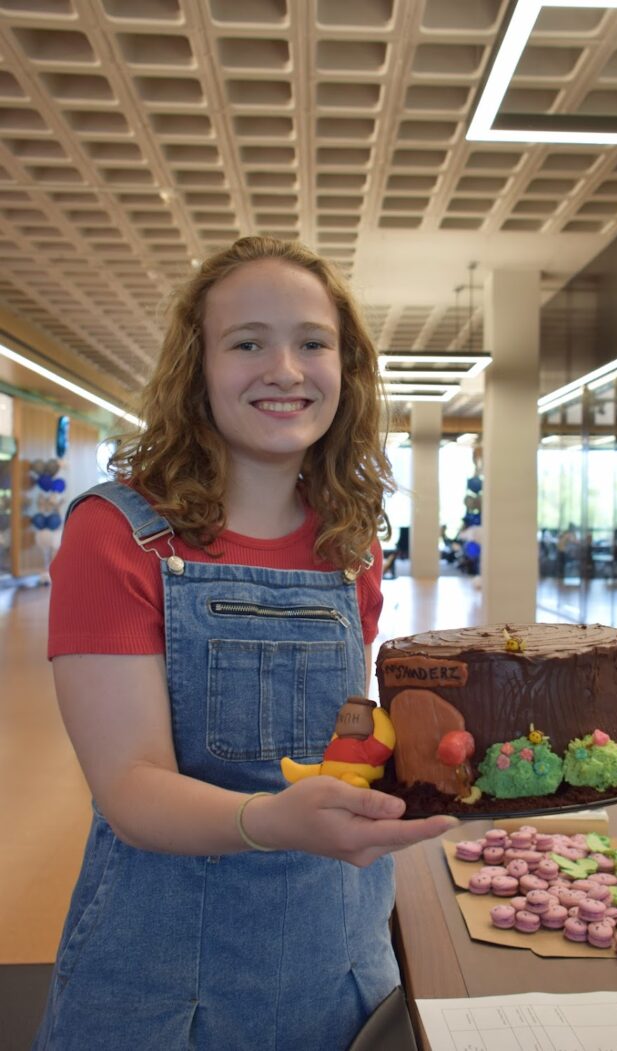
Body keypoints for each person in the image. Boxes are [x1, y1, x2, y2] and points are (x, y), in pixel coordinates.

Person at [33, 237, 453, 1050]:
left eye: (312, 341)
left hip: (342, 971)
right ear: (199, 369)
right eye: (248, 342)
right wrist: (277, 819)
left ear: (348, 366)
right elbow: (129, 786)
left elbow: (348, 745)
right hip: (165, 985)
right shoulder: (116, 533)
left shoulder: (351, 545)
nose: (286, 370)